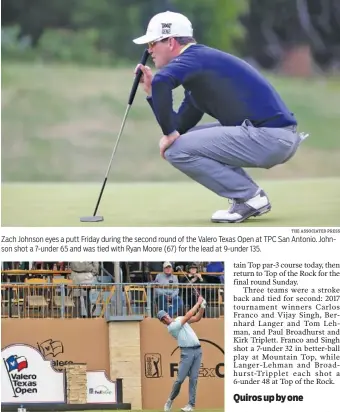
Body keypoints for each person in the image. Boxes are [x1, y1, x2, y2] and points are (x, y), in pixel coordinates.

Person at [133, 11, 309, 223]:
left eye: (152, 43)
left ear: (170, 42)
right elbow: (180, 125)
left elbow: (164, 82)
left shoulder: (195, 58)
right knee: (180, 143)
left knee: (176, 150)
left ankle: (249, 197)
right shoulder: (199, 73)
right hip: (272, 137)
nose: (149, 50)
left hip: (270, 137)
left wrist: (168, 133)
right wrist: (152, 94)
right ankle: (250, 196)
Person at [157, 295, 207, 412]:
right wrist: (198, 302)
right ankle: (170, 400)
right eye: (162, 320)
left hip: (198, 351)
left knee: (194, 379)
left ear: (168, 315)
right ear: (162, 322)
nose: (165, 320)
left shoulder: (179, 319)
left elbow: (196, 318)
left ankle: (190, 405)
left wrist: (202, 307)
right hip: (187, 353)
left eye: (165, 317)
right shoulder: (172, 327)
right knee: (179, 380)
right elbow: (189, 315)